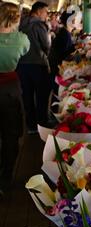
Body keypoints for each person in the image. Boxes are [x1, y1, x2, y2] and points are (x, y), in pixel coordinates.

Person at [0, 2, 30, 195]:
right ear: (15, 17)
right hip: (9, 90)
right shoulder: (22, 40)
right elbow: (25, 52)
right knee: (10, 135)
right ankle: (4, 179)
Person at [17, 1, 51, 133]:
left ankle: (31, 126)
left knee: (27, 95)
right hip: (38, 64)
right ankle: (42, 123)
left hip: (21, 65)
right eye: (45, 12)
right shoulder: (39, 25)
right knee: (42, 94)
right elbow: (46, 45)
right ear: (38, 11)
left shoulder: (20, 23)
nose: (46, 15)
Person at [48, 10, 75, 96]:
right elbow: (63, 54)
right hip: (58, 69)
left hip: (56, 67)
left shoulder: (64, 32)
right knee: (58, 94)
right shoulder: (65, 34)